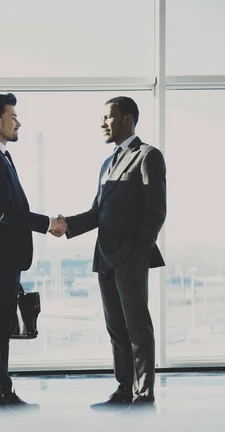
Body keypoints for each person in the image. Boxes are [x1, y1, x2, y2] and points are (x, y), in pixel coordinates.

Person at [53, 97, 166, 409]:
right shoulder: (106, 165)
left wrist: (136, 254)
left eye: (108, 117)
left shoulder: (148, 156)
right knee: (116, 327)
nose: (103, 123)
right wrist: (66, 226)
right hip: (104, 257)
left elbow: (156, 212)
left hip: (130, 258)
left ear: (127, 119)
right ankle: (124, 389)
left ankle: (144, 393)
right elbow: (97, 213)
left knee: (137, 327)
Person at [0, 93, 66, 408]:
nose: (18, 122)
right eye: (13, 117)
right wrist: (48, 222)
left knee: (2, 327)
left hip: (7, 256)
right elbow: (4, 212)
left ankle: (3, 389)